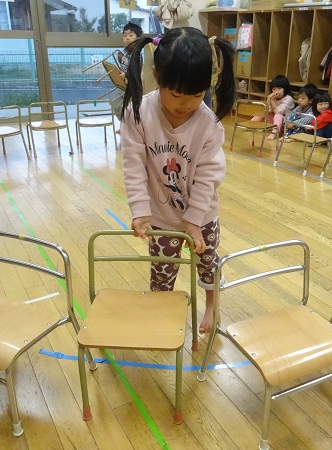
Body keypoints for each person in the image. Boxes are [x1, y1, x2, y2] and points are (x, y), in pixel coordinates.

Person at [121, 27, 236, 334]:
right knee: (162, 272)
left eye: (197, 95)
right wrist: (139, 210)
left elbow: (208, 176)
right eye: (176, 95)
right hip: (161, 217)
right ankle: (161, 311)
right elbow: (133, 165)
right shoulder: (138, 113)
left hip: (203, 215)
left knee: (208, 263)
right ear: (157, 77)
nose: (185, 105)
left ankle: (212, 304)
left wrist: (194, 220)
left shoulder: (208, 123)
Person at [112, 22, 143, 121]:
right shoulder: (126, 52)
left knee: (128, 107)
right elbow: (126, 65)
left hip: (131, 86)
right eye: (125, 35)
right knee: (116, 104)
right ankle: (125, 123)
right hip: (122, 84)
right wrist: (121, 59)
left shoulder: (136, 55)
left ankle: (128, 124)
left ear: (138, 39)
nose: (127, 38)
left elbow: (136, 71)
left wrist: (126, 75)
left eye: (131, 35)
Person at [251, 75, 295, 140]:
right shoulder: (273, 98)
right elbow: (266, 108)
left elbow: (279, 112)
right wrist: (269, 99)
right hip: (272, 123)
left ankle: (274, 133)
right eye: (274, 89)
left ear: (285, 88)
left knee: (278, 115)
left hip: (284, 125)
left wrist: (272, 100)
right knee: (263, 110)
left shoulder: (289, 99)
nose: (276, 91)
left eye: (279, 88)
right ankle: (251, 124)